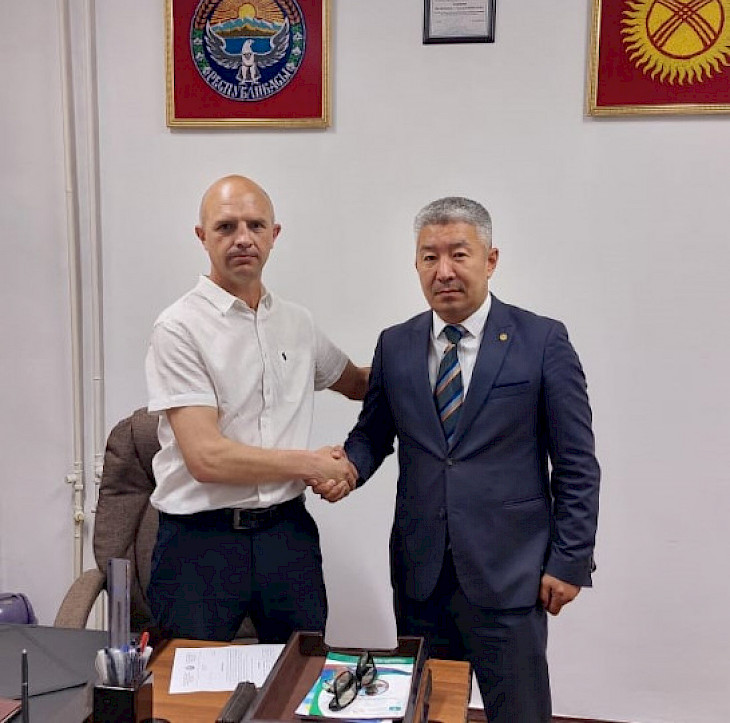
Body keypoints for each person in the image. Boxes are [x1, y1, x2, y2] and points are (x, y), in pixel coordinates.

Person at [331, 197, 600, 722]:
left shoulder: (542, 341)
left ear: (490, 260)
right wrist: (346, 469)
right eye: (430, 257)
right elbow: (373, 434)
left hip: (512, 574)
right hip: (421, 575)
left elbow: (577, 464)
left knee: (520, 712)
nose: (444, 271)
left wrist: (569, 561)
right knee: (427, 710)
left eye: (459, 254)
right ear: (416, 264)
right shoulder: (395, 345)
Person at [145, 174, 367, 643]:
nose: (243, 238)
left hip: (286, 537)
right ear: (202, 236)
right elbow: (207, 458)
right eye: (226, 227)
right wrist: (311, 464)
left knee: (301, 675)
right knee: (191, 681)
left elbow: (357, 384)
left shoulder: (297, 322)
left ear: (274, 234)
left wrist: (431, 353)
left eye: (256, 225)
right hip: (199, 546)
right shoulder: (179, 327)